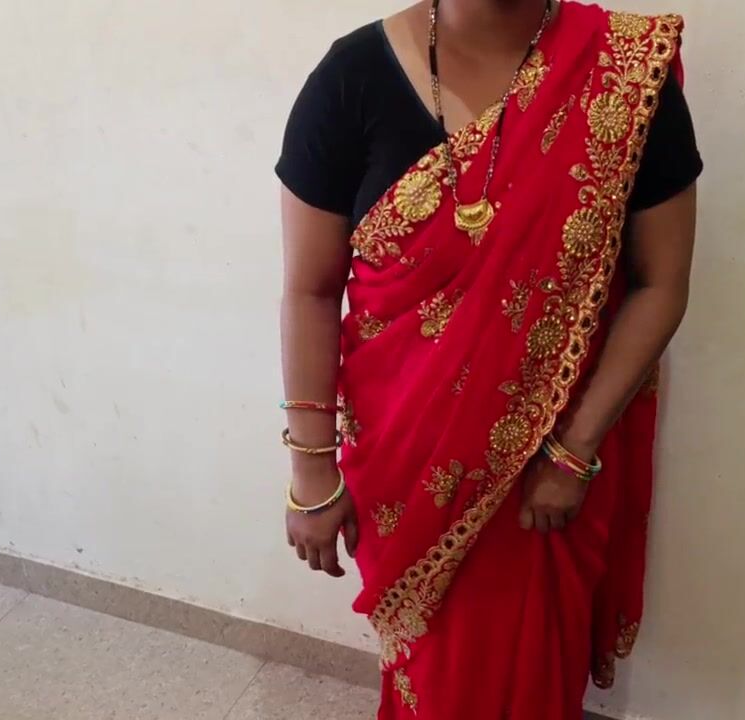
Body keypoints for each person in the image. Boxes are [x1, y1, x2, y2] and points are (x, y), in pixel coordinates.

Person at [275, 1, 700, 716]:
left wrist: (573, 453)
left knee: (530, 674)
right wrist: (311, 470)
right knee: (433, 675)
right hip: (405, 464)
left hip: (547, 471)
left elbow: (661, 284)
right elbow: (309, 291)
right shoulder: (352, 78)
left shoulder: (625, 74)